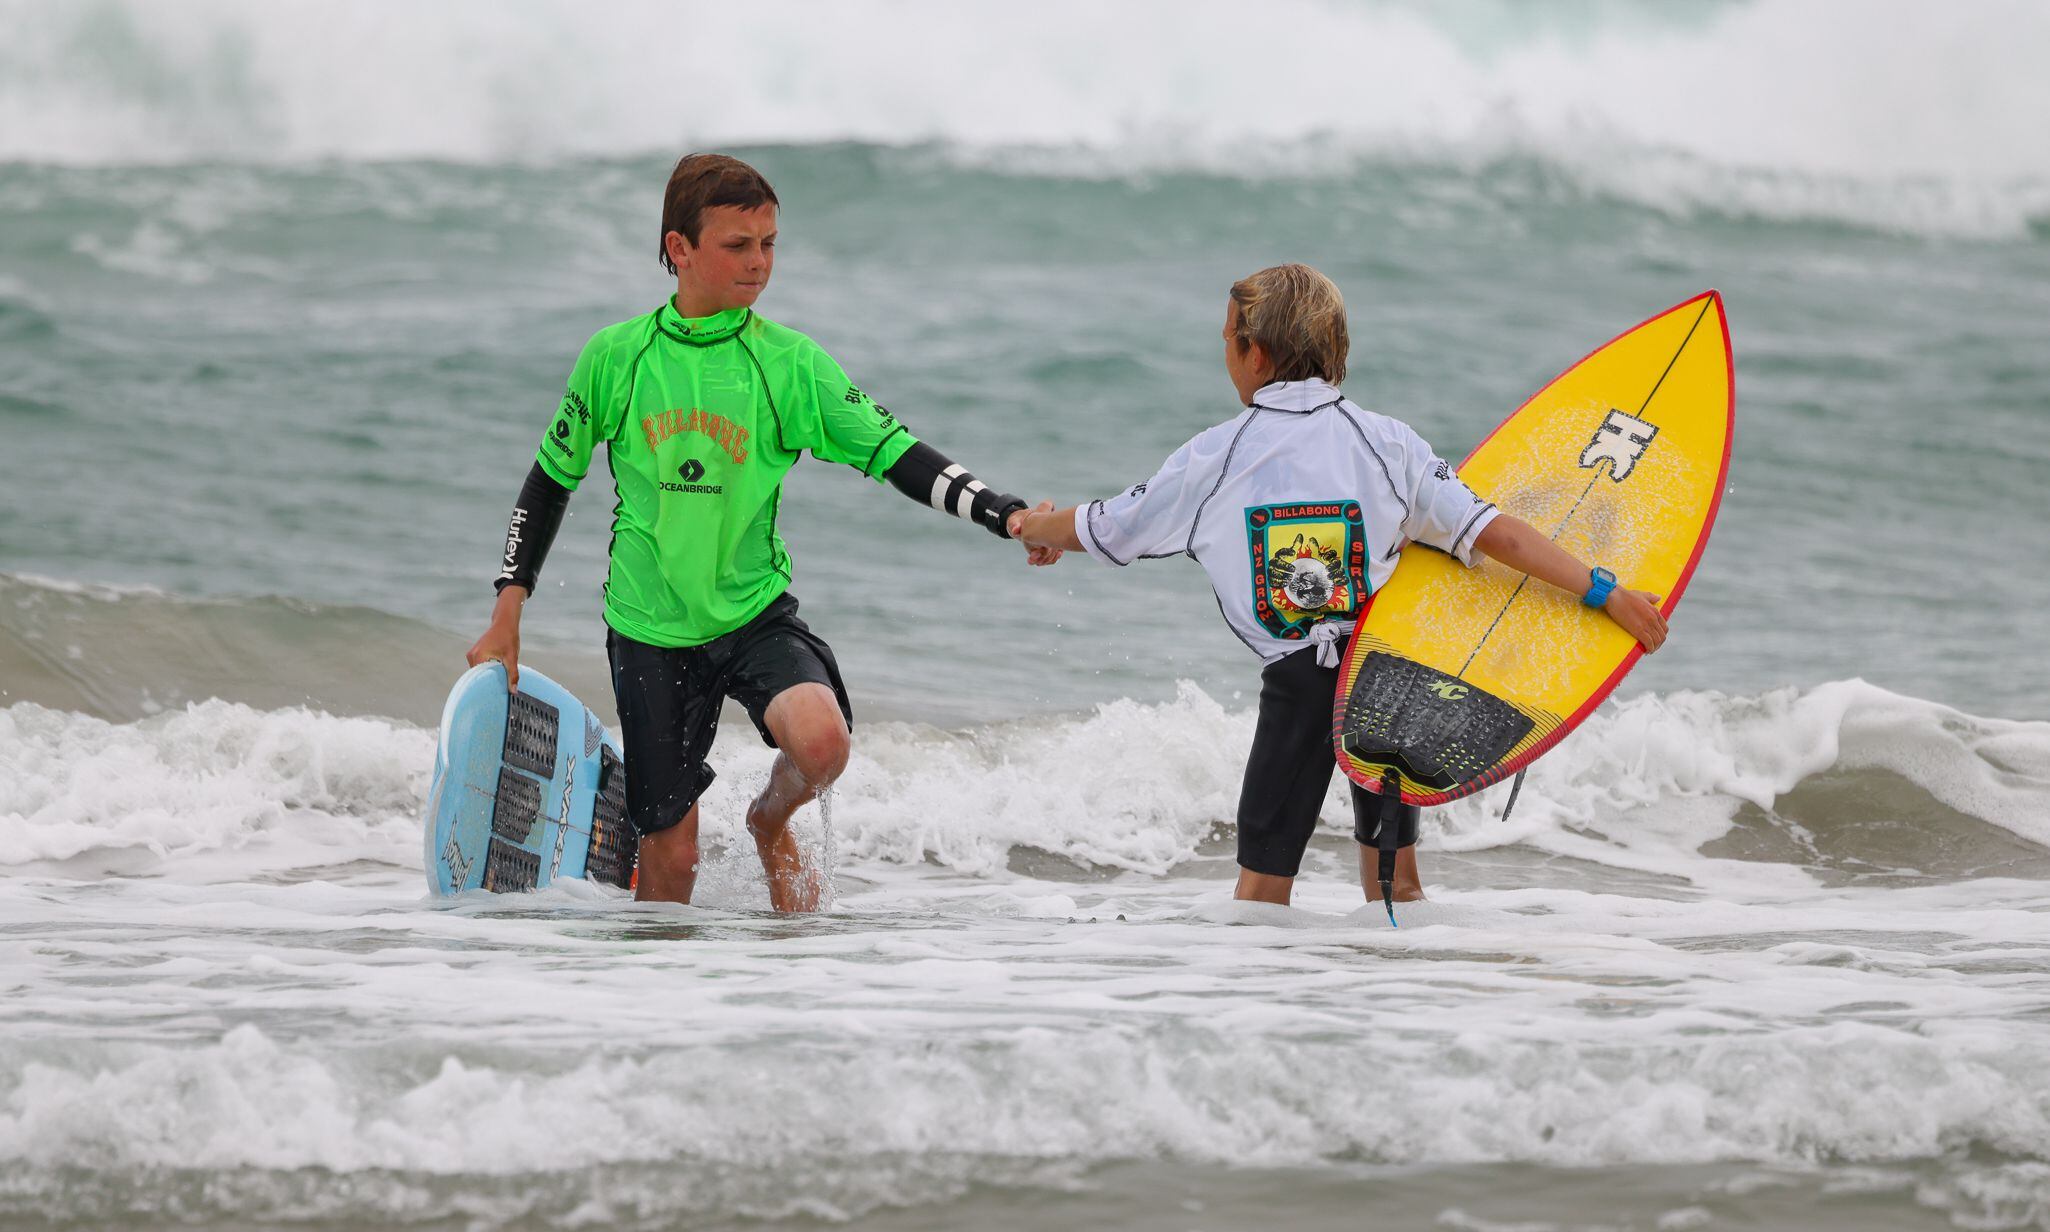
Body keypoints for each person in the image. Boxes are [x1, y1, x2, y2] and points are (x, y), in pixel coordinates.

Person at [468, 153, 1055, 914]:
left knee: (821, 742)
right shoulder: (617, 357)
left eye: (770, 244)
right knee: (672, 865)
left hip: (752, 611)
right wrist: (508, 609)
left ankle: (768, 818)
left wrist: (1003, 511)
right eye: (739, 245)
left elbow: (896, 452)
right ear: (680, 248)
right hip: (649, 626)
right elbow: (550, 480)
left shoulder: (790, 365)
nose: (760, 264)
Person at [1013, 264, 1666, 909]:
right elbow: (1495, 533)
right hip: (1382, 677)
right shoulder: (1388, 443)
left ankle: (1265, 1004)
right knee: (1396, 885)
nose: (1225, 353)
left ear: (1257, 354)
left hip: (1299, 686)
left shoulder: (1217, 455)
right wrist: (1603, 591)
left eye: (1226, 340)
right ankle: (1400, 993)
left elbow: (1111, 524)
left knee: (1261, 892)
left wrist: (1036, 524)